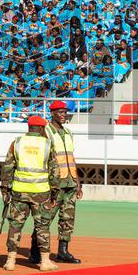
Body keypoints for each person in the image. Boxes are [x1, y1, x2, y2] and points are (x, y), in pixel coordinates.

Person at [0, 115, 59, 272]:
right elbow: (54, 171)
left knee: (15, 225)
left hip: (19, 191)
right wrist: (55, 191)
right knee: (43, 226)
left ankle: (10, 260)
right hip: (41, 192)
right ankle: (45, 261)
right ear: (40, 128)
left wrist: (5, 188)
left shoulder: (17, 143)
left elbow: (8, 167)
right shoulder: (47, 144)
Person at [33, 99, 83, 264]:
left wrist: (78, 181)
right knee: (46, 217)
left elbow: (71, 158)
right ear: (52, 113)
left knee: (67, 218)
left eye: (65, 112)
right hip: (54, 183)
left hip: (69, 181)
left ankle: (63, 251)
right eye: (61, 112)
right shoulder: (45, 131)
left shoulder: (68, 132)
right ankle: (36, 250)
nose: (64, 115)